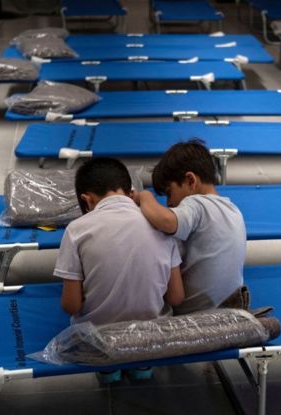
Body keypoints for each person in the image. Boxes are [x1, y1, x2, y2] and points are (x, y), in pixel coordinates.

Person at [55, 158, 184, 381]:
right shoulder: (161, 226)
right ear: (130, 192)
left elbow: (71, 305)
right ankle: (142, 367)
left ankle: (108, 371)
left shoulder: (76, 230)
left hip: (98, 340)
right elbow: (176, 296)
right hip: (151, 338)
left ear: (87, 200)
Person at [135, 140, 247, 315]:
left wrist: (145, 196)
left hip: (196, 315)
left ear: (190, 180)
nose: (169, 202)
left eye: (169, 192)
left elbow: (166, 221)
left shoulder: (197, 203)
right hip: (231, 309)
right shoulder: (234, 210)